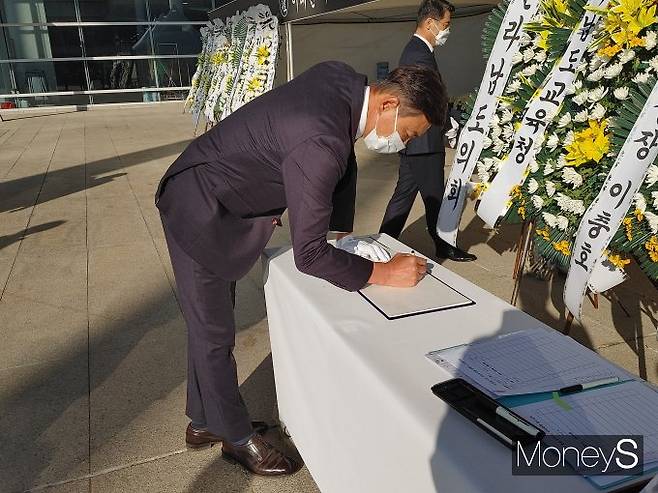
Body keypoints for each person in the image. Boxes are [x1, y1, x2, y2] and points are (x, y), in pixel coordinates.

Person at [155, 61, 447, 476]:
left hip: (218, 190)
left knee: (210, 326)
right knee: (213, 333)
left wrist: (340, 230)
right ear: (389, 103)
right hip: (198, 207)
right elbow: (307, 254)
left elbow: (341, 153)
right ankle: (236, 438)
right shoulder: (321, 141)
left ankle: (204, 422)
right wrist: (382, 273)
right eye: (410, 131)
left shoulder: (344, 81)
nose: (403, 141)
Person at [379, 0, 477, 262]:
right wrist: (453, 119)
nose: (447, 30)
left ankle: (384, 240)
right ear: (430, 23)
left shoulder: (419, 51)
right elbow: (426, 99)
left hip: (417, 143)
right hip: (422, 141)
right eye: (445, 25)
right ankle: (442, 246)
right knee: (434, 196)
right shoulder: (418, 54)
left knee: (404, 194)